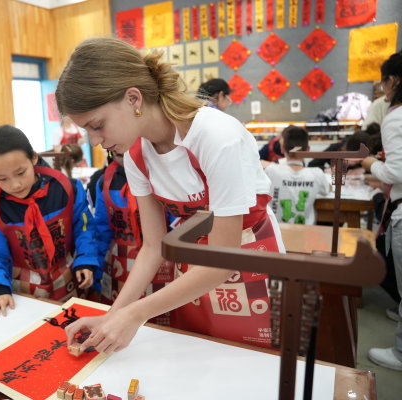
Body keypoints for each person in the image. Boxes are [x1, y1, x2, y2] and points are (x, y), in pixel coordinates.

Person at [56, 37, 285, 353]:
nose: (95, 141)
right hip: (194, 271)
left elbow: (223, 259)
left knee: (250, 360)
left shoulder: (216, 136)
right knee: (197, 356)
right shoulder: (136, 155)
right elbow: (153, 247)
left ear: (133, 98)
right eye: (87, 131)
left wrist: (135, 314)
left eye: (97, 125)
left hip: (249, 256)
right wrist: (112, 315)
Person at [0, 125, 101, 319]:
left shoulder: (67, 189)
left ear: (33, 158)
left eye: (20, 172)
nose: (15, 185)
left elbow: (85, 229)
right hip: (24, 293)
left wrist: (86, 259)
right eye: (2, 178)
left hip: (71, 280)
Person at [94, 150, 173, 325]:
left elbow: (178, 225)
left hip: (162, 262)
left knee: (160, 323)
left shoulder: (163, 176)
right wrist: (97, 271)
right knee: (117, 321)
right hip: (119, 264)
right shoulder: (104, 181)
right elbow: (102, 230)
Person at [361, 51, 402, 371]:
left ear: (392, 81)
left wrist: (369, 163)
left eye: (384, 81)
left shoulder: (396, 117)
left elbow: (395, 172)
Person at [262, 126, 331, 225]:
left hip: (277, 231)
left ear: (282, 148)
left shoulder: (271, 171)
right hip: (306, 231)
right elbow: (327, 189)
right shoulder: (317, 174)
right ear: (307, 149)